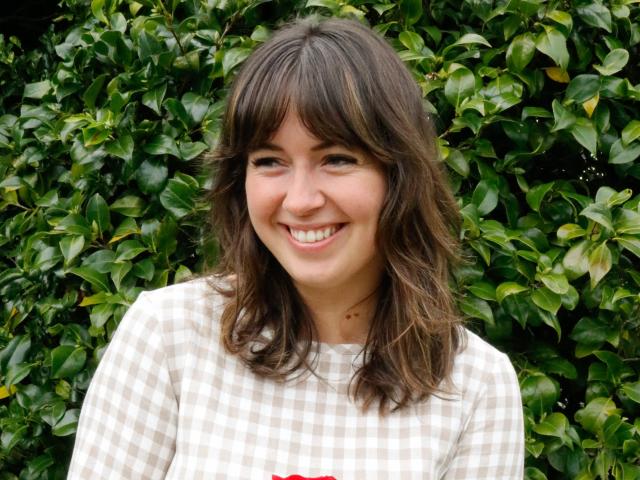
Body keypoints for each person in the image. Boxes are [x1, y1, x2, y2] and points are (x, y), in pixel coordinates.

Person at [67, 16, 524, 479]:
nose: (301, 200)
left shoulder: (475, 385)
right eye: (270, 161)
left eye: (337, 159)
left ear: (399, 175)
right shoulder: (169, 337)